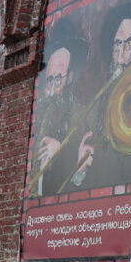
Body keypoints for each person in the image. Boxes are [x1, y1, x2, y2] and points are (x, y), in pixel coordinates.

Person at [73, 2, 131, 190]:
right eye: (117, 44)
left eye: (128, 43)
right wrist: (80, 172)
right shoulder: (98, 109)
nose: (121, 54)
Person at [28, 36, 87, 196]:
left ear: (71, 78)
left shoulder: (80, 114)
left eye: (59, 78)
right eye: (50, 80)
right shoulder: (38, 115)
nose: (53, 87)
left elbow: (83, 176)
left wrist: (60, 152)